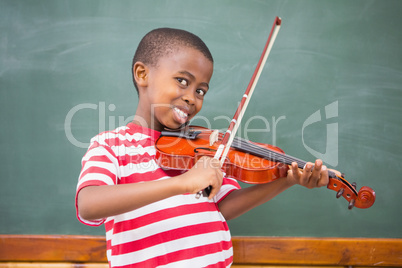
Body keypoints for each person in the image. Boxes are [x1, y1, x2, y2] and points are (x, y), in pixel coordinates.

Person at [75, 28, 329, 268]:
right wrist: (182, 184)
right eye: (182, 81)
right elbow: (89, 204)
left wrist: (286, 181)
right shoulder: (112, 145)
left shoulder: (203, 149)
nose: (192, 98)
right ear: (142, 74)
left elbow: (225, 205)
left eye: (200, 90)